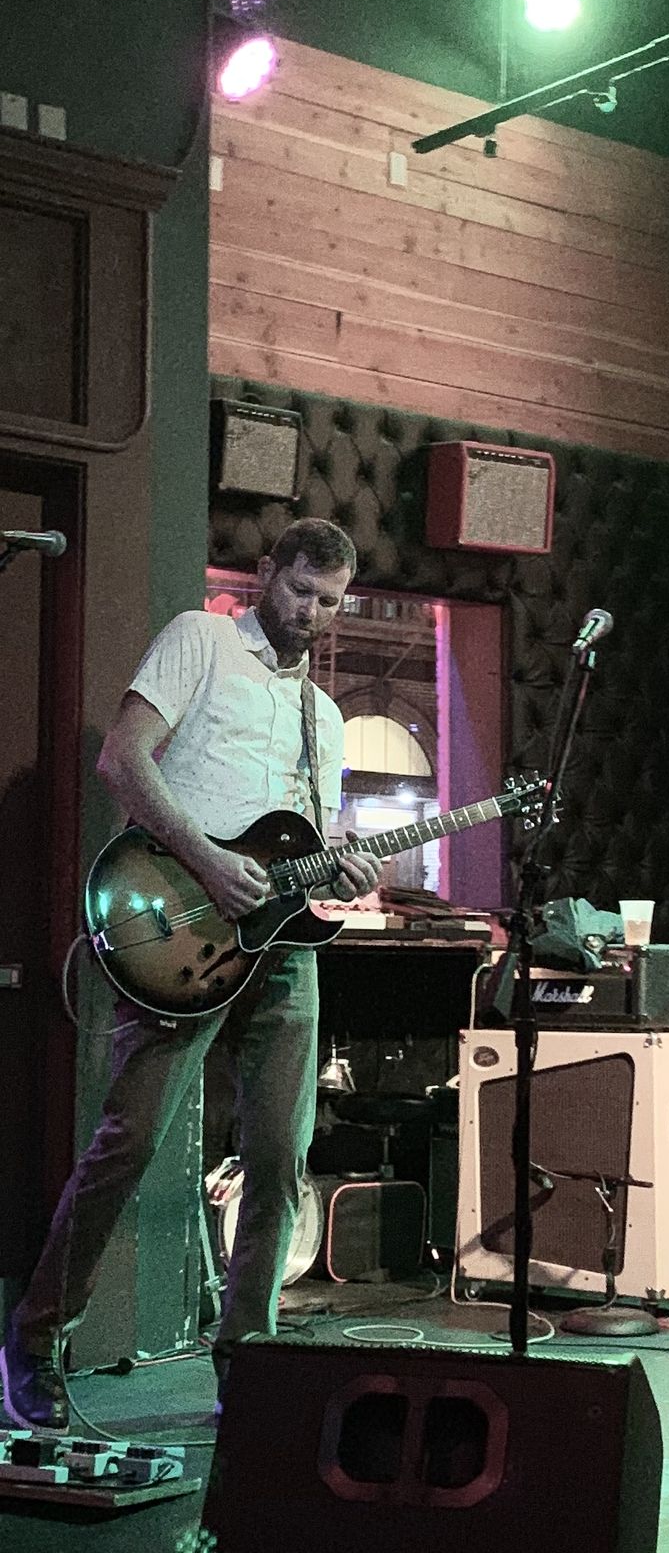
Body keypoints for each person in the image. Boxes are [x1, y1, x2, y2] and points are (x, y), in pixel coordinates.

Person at [1, 519, 379, 1429]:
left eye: (329, 602)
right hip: (186, 929)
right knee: (129, 1143)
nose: (312, 613)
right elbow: (122, 760)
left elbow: (305, 845)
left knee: (280, 1163)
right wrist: (208, 860)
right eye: (300, 590)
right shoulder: (200, 640)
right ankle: (34, 1343)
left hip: (284, 951)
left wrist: (343, 875)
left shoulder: (324, 717)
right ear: (266, 573)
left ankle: (248, 1366)